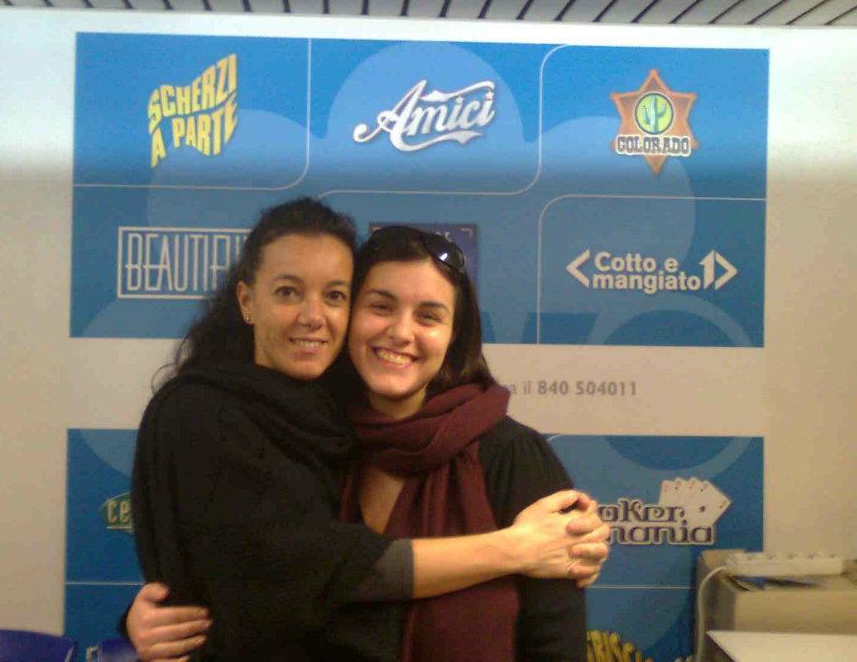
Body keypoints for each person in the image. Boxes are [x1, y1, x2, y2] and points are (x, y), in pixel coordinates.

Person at [129, 200, 609, 661]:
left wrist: (573, 541)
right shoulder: (300, 430)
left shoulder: (509, 453)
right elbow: (285, 571)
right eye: (380, 306)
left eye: (429, 316)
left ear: (455, 335)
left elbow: (555, 641)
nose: (400, 332)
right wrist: (514, 549)